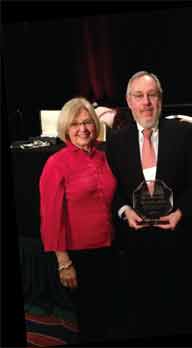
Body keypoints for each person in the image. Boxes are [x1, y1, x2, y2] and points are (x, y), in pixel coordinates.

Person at [106, 71, 192, 338]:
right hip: (135, 242)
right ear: (129, 101)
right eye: (139, 96)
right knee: (141, 314)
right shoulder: (116, 141)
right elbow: (112, 192)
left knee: (177, 313)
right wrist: (125, 211)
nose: (146, 102)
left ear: (160, 99)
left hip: (175, 238)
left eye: (152, 95)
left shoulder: (182, 133)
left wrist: (181, 212)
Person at [39, 97, 117, 344]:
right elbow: (50, 218)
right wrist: (63, 262)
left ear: (95, 125)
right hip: (79, 255)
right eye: (75, 124)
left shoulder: (104, 157)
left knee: (108, 314)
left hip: (109, 248)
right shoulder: (56, 163)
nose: (82, 129)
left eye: (87, 122)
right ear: (66, 128)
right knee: (90, 321)